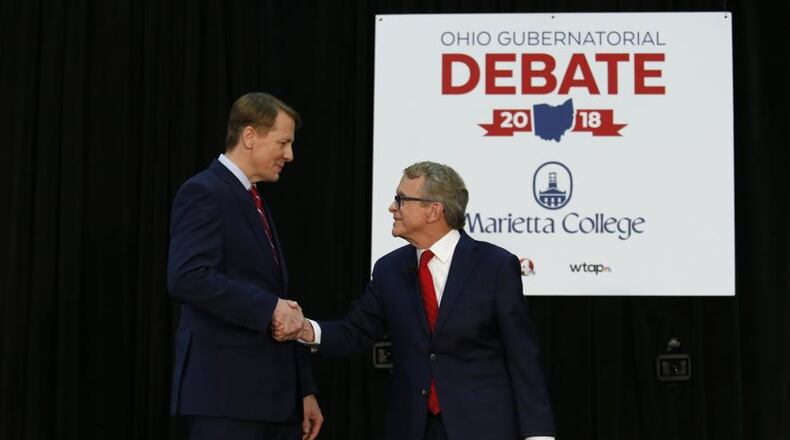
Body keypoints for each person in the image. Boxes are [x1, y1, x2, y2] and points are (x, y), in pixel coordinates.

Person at [275, 161, 556, 440]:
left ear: (434, 210)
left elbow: (522, 357)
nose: (392, 207)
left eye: (401, 199)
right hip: (413, 426)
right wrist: (304, 329)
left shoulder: (494, 266)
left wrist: (539, 435)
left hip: (483, 426)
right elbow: (354, 332)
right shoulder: (389, 270)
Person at [168, 92, 323, 440]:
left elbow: (276, 295)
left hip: (272, 400)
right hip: (226, 397)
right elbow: (187, 277)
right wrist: (269, 308)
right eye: (283, 142)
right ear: (250, 136)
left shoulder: (252, 200)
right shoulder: (204, 192)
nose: (290, 155)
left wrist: (303, 389)